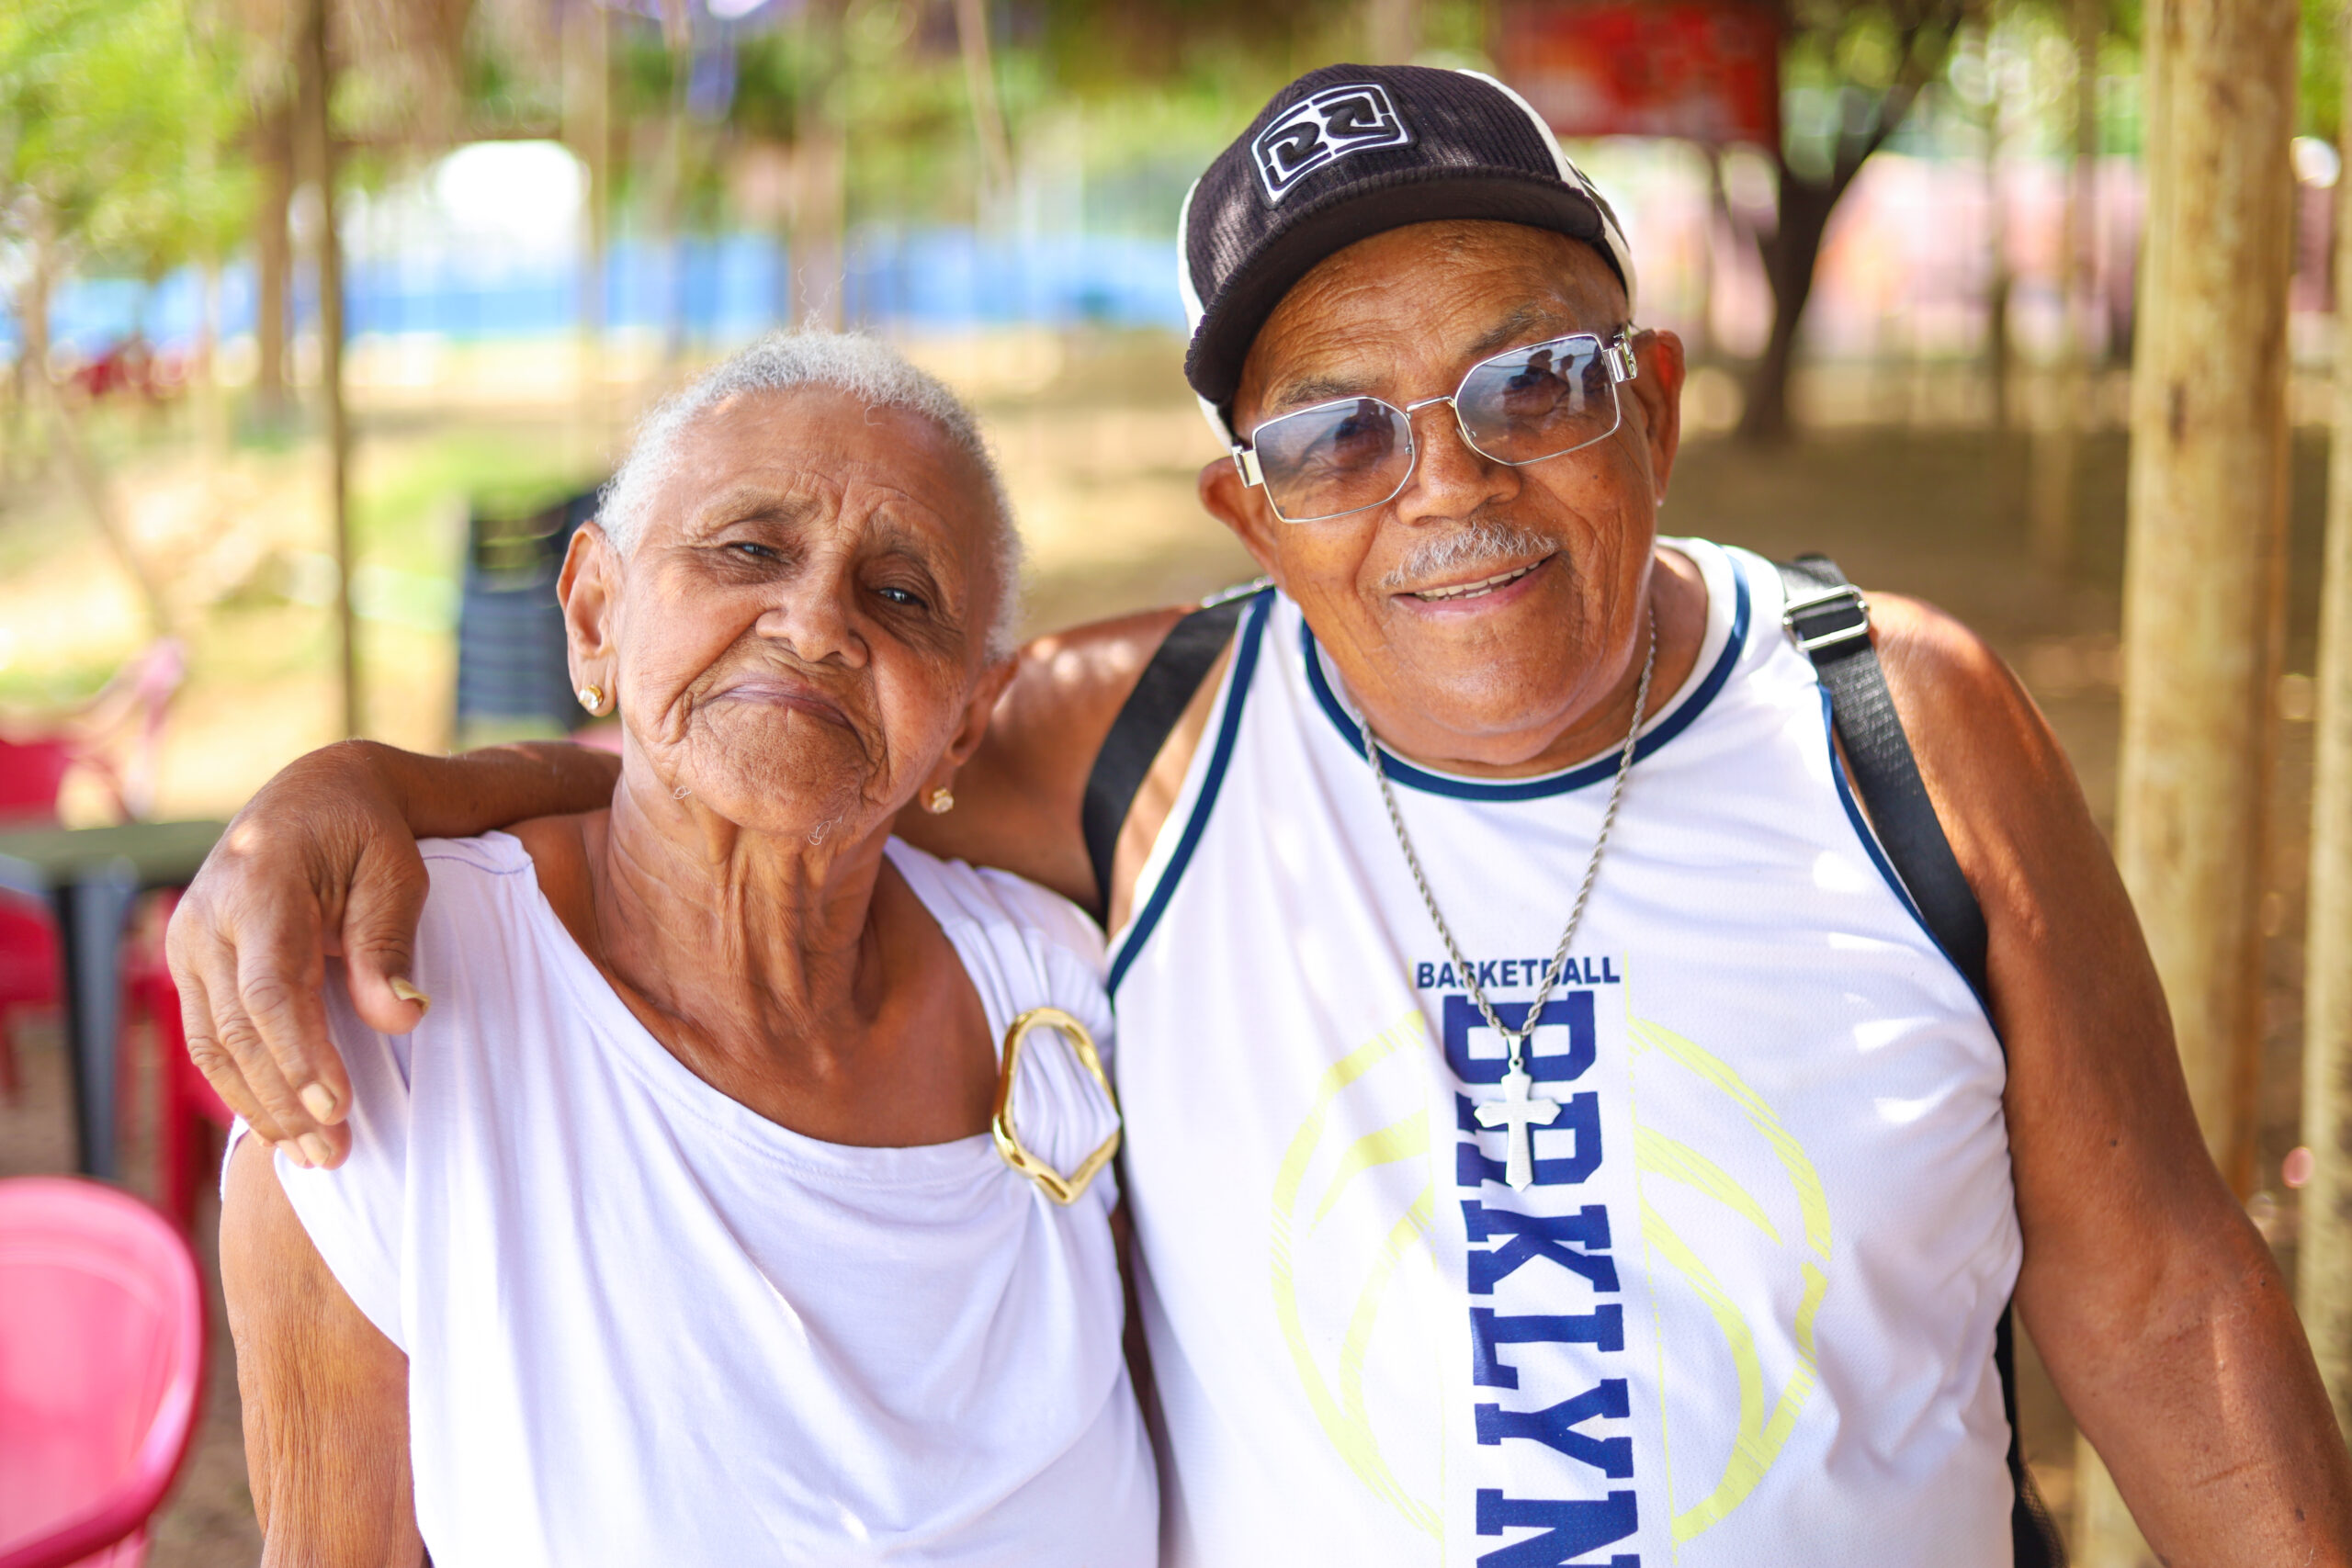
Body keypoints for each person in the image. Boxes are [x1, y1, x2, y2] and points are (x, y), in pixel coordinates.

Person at [179, 65, 2351, 1567]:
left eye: (1535, 381)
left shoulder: (1901, 719)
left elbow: (2160, 1299)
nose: (1448, 482)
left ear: (1653, 403)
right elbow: (763, 740)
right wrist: (353, 790)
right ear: (1247, 513)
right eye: (1332, 435)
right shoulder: (1146, 740)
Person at [215, 335, 1157, 1567]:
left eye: (903, 594)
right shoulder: (396, 1023)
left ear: (968, 719)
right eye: (749, 550)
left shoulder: (1049, 981)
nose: (818, 622)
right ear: (596, 615)